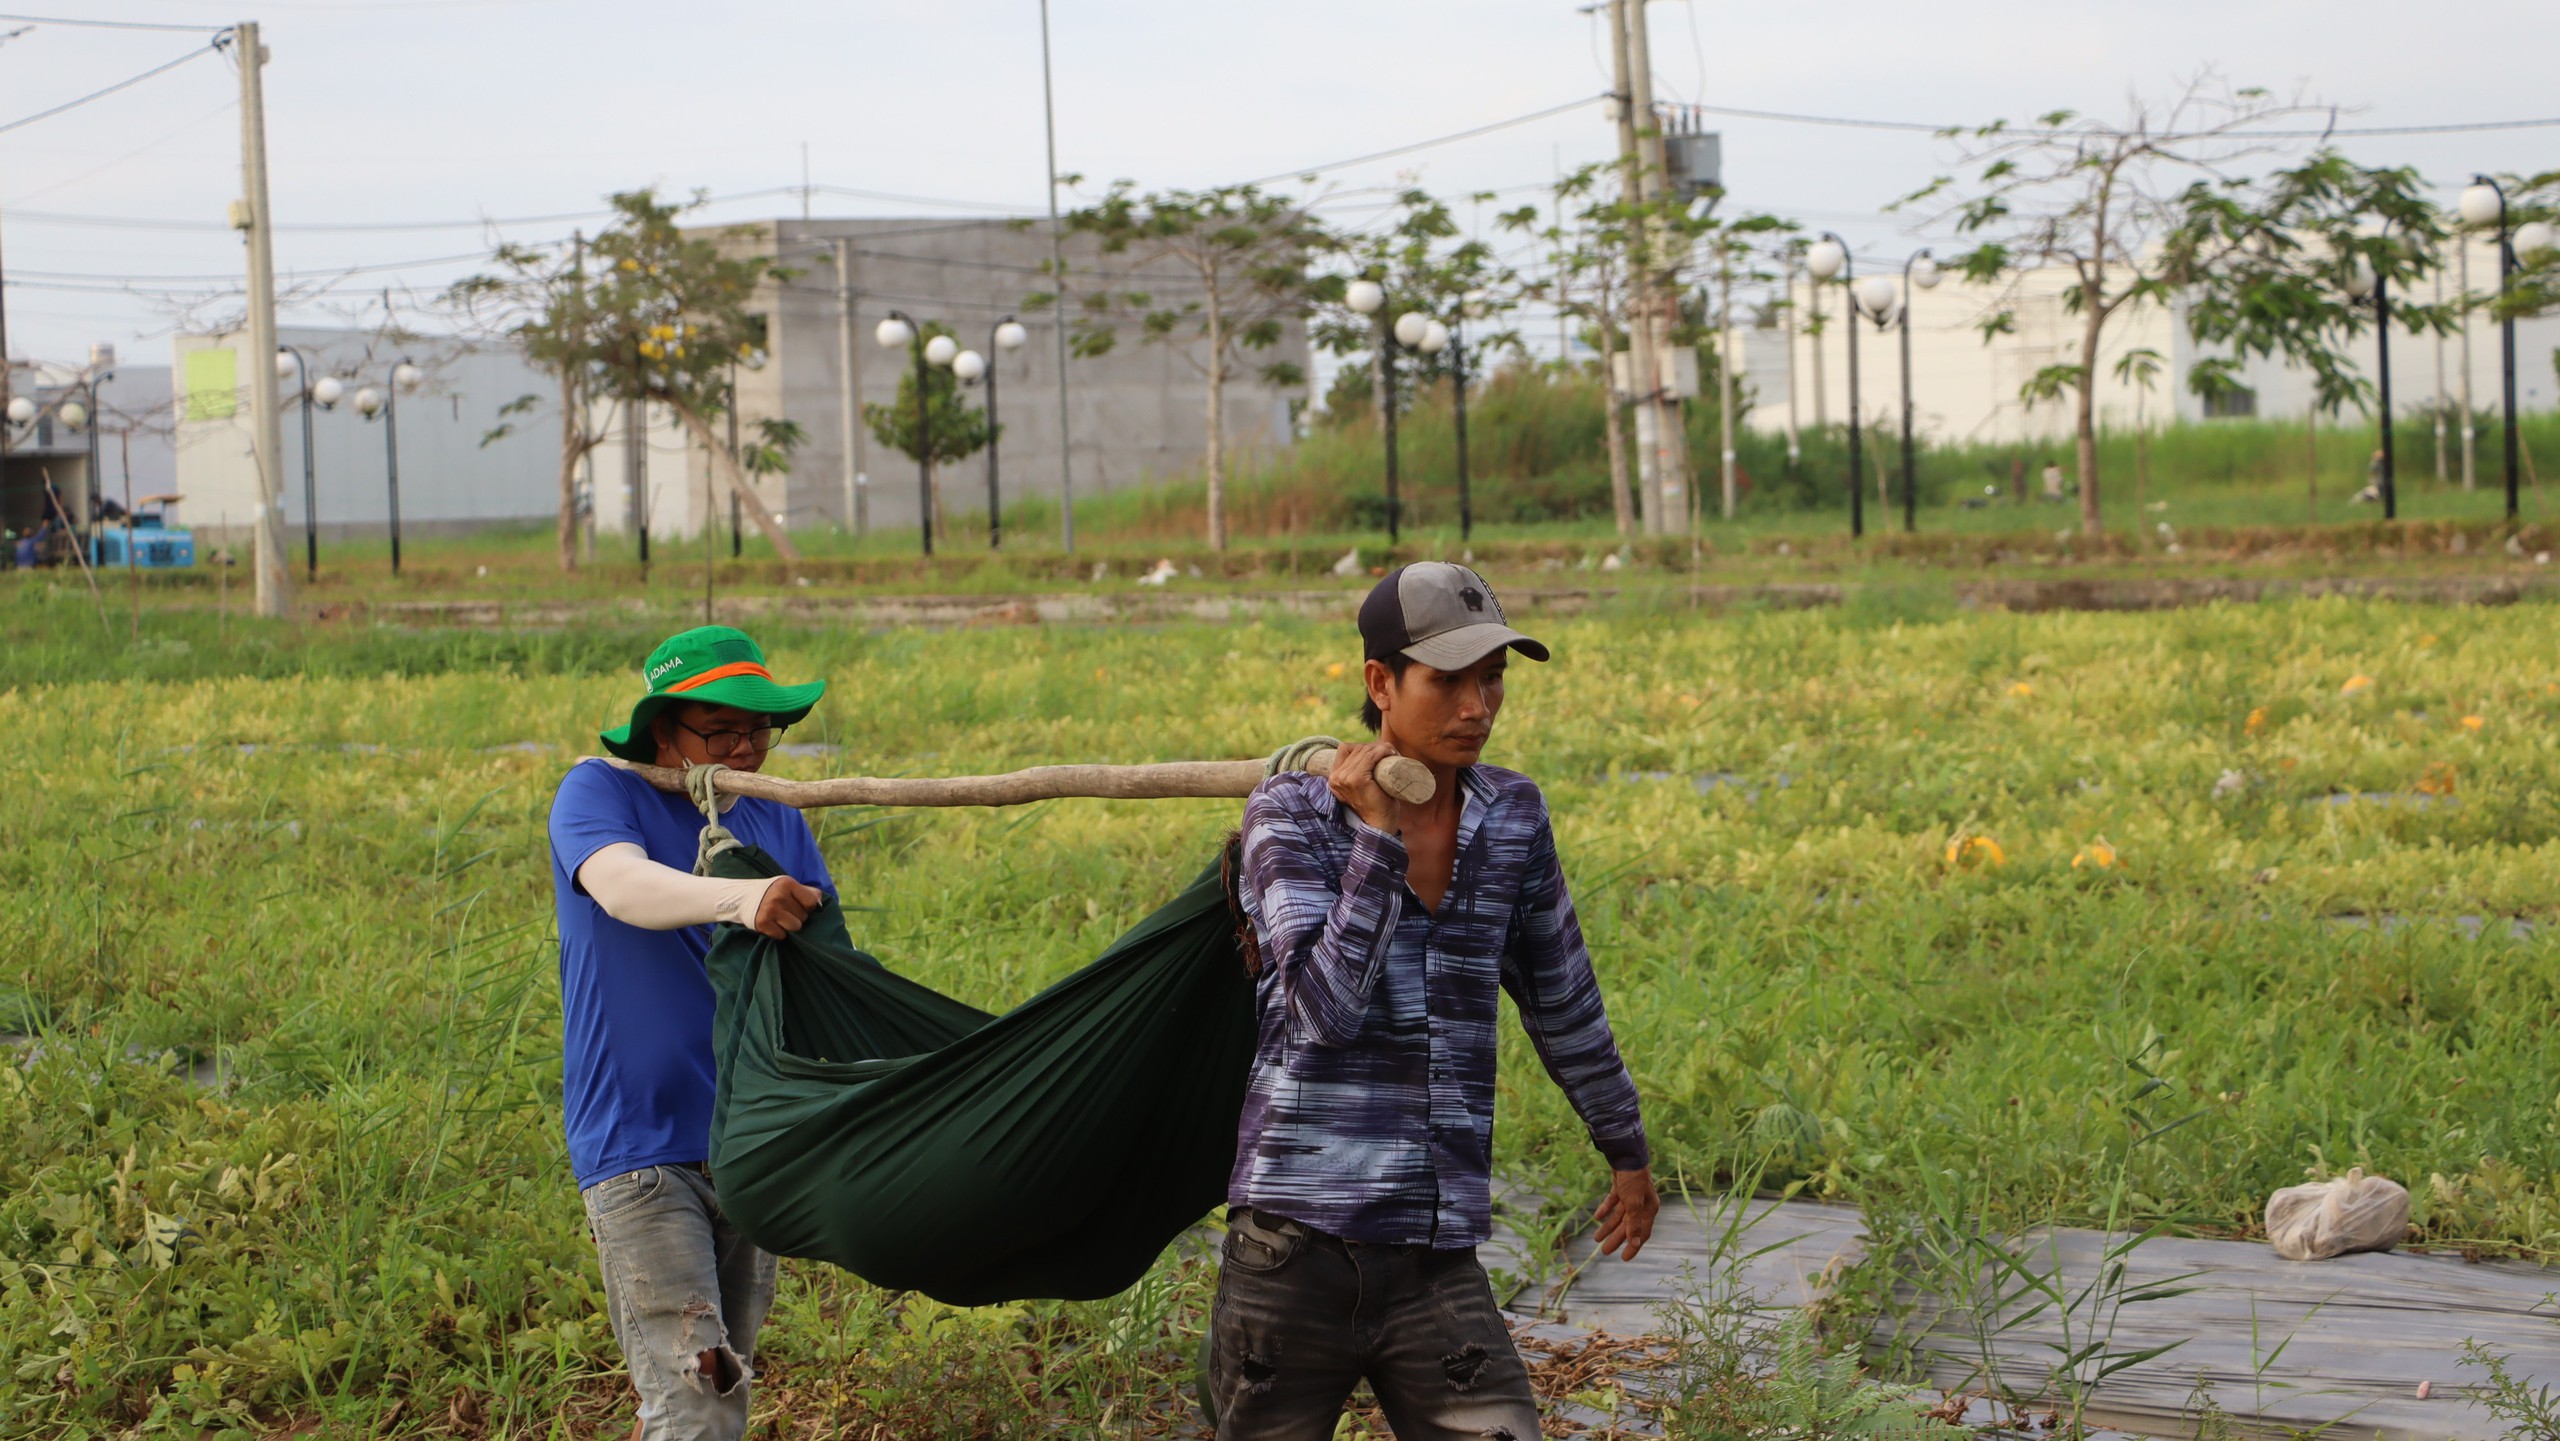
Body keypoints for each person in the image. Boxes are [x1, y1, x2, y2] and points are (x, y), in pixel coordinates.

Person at [1212, 562, 1658, 1441]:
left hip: (1432, 1250)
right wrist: (1377, 834)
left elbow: (1562, 999)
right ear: (1381, 682)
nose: (1477, 705)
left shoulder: (1512, 816)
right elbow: (1321, 1013)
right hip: (1294, 1244)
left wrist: (1625, 1147)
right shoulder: (1289, 817)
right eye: (1448, 679)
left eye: (1491, 678)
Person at [548, 625, 833, 1441]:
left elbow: (821, 971)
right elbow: (621, 886)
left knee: (712, 1386)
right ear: (664, 732)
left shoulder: (778, 821)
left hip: (749, 1145)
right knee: (698, 1400)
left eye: (759, 730)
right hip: (641, 1147)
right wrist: (741, 898)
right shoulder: (600, 791)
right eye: (720, 730)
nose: (744, 750)